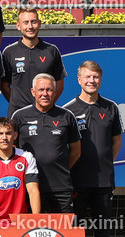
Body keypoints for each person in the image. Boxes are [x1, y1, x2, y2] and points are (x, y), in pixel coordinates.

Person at [64, 61, 124, 237]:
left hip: (103, 182)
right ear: (79, 80)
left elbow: (116, 142)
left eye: (96, 77)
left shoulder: (110, 108)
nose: (92, 81)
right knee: (76, 233)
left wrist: (104, 164)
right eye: (87, 77)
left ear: (100, 79)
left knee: (102, 232)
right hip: (77, 181)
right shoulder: (68, 110)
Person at [12, 73, 81, 214]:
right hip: (30, 187)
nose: (45, 94)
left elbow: (76, 151)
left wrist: (60, 167)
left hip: (61, 187)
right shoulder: (19, 116)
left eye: (49, 90)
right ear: (33, 92)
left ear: (55, 92)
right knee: (34, 232)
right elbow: (13, 149)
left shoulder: (67, 116)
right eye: (41, 90)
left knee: (65, 232)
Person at [0, 118, 41, 224]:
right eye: (0, 133)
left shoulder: (26, 157)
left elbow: (33, 191)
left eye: (8, 133)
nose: (4, 138)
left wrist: (36, 219)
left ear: (15, 135)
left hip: (19, 221)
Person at [1, 7, 66, 116]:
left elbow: (59, 85)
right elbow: (4, 86)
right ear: (18, 26)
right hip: (18, 113)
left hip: (46, 113)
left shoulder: (51, 51)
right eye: (25, 22)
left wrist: (45, 105)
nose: (30, 26)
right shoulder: (9, 52)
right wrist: (17, 103)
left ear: (39, 24)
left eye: (33, 22)